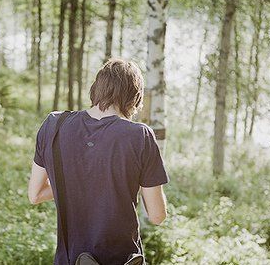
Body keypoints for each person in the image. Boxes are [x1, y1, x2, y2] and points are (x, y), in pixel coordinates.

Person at [28, 58, 169, 265]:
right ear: (134, 98)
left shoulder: (53, 125)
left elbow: (36, 194)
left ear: (96, 89)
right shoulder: (139, 136)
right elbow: (157, 216)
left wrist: (79, 177)